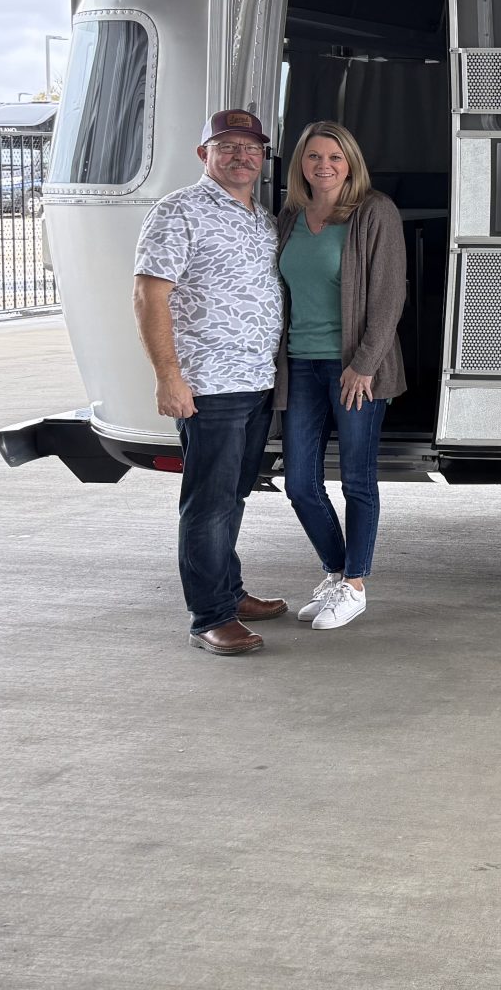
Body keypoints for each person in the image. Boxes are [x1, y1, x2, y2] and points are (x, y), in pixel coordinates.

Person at [132, 109, 287, 655]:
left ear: (262, 157)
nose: (242, 156)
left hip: (256, 380)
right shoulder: (178, 211)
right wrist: (168, 378)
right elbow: (149, 295)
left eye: (251, 147)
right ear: (205, 154)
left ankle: (230, 591)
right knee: (209, 502)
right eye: (228, 146)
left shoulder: (262, 218)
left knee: (233, 495)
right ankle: (210, 617)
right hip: (208, 383)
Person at [275, 120, 406, 632]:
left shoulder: (374, 212)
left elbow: (389, 296)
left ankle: (355, 585)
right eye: (314, 156)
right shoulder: (290, 216)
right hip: (301, 365)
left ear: (350, 163)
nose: (324, 165)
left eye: (334, 157)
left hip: (356, 370)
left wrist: (364, 364)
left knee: (357, 479)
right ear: (301, 165)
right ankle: (336, 572)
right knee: (299, 483)